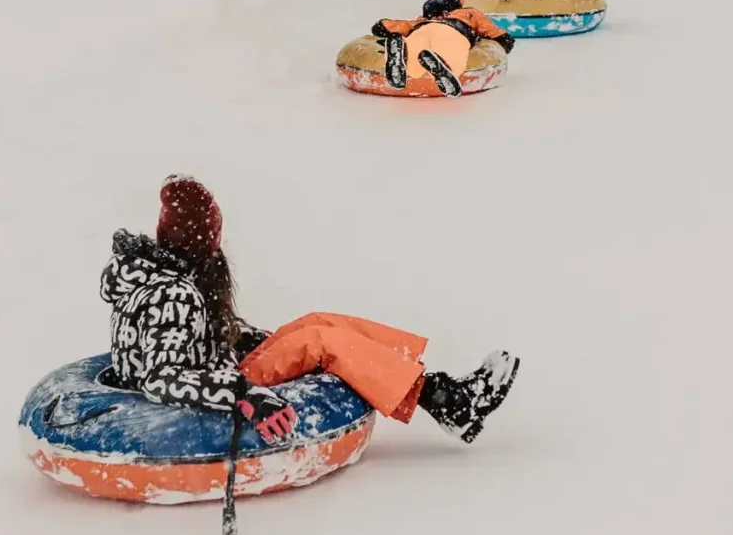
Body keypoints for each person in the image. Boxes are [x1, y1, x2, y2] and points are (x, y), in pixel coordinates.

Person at [100, 176, 520, 445]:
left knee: (315, 323)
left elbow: (199, 334)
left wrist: (263, 341)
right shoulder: (171, 294)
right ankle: (448, 401)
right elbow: (162, 378)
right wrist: (246, 395)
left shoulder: (166, 273)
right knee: (320, 341)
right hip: (216, 384)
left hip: (220, 364)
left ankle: (437, 390)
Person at [370, 0, 515, 98]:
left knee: (415, 48)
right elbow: (489, 29)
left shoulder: (424, 18)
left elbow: (405, 25)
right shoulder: (469, 13)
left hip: (422, 28)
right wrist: (503, 39)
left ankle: (401, 55)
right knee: (453, 50)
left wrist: (384, 25)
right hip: (454, 30)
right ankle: (445, 69)